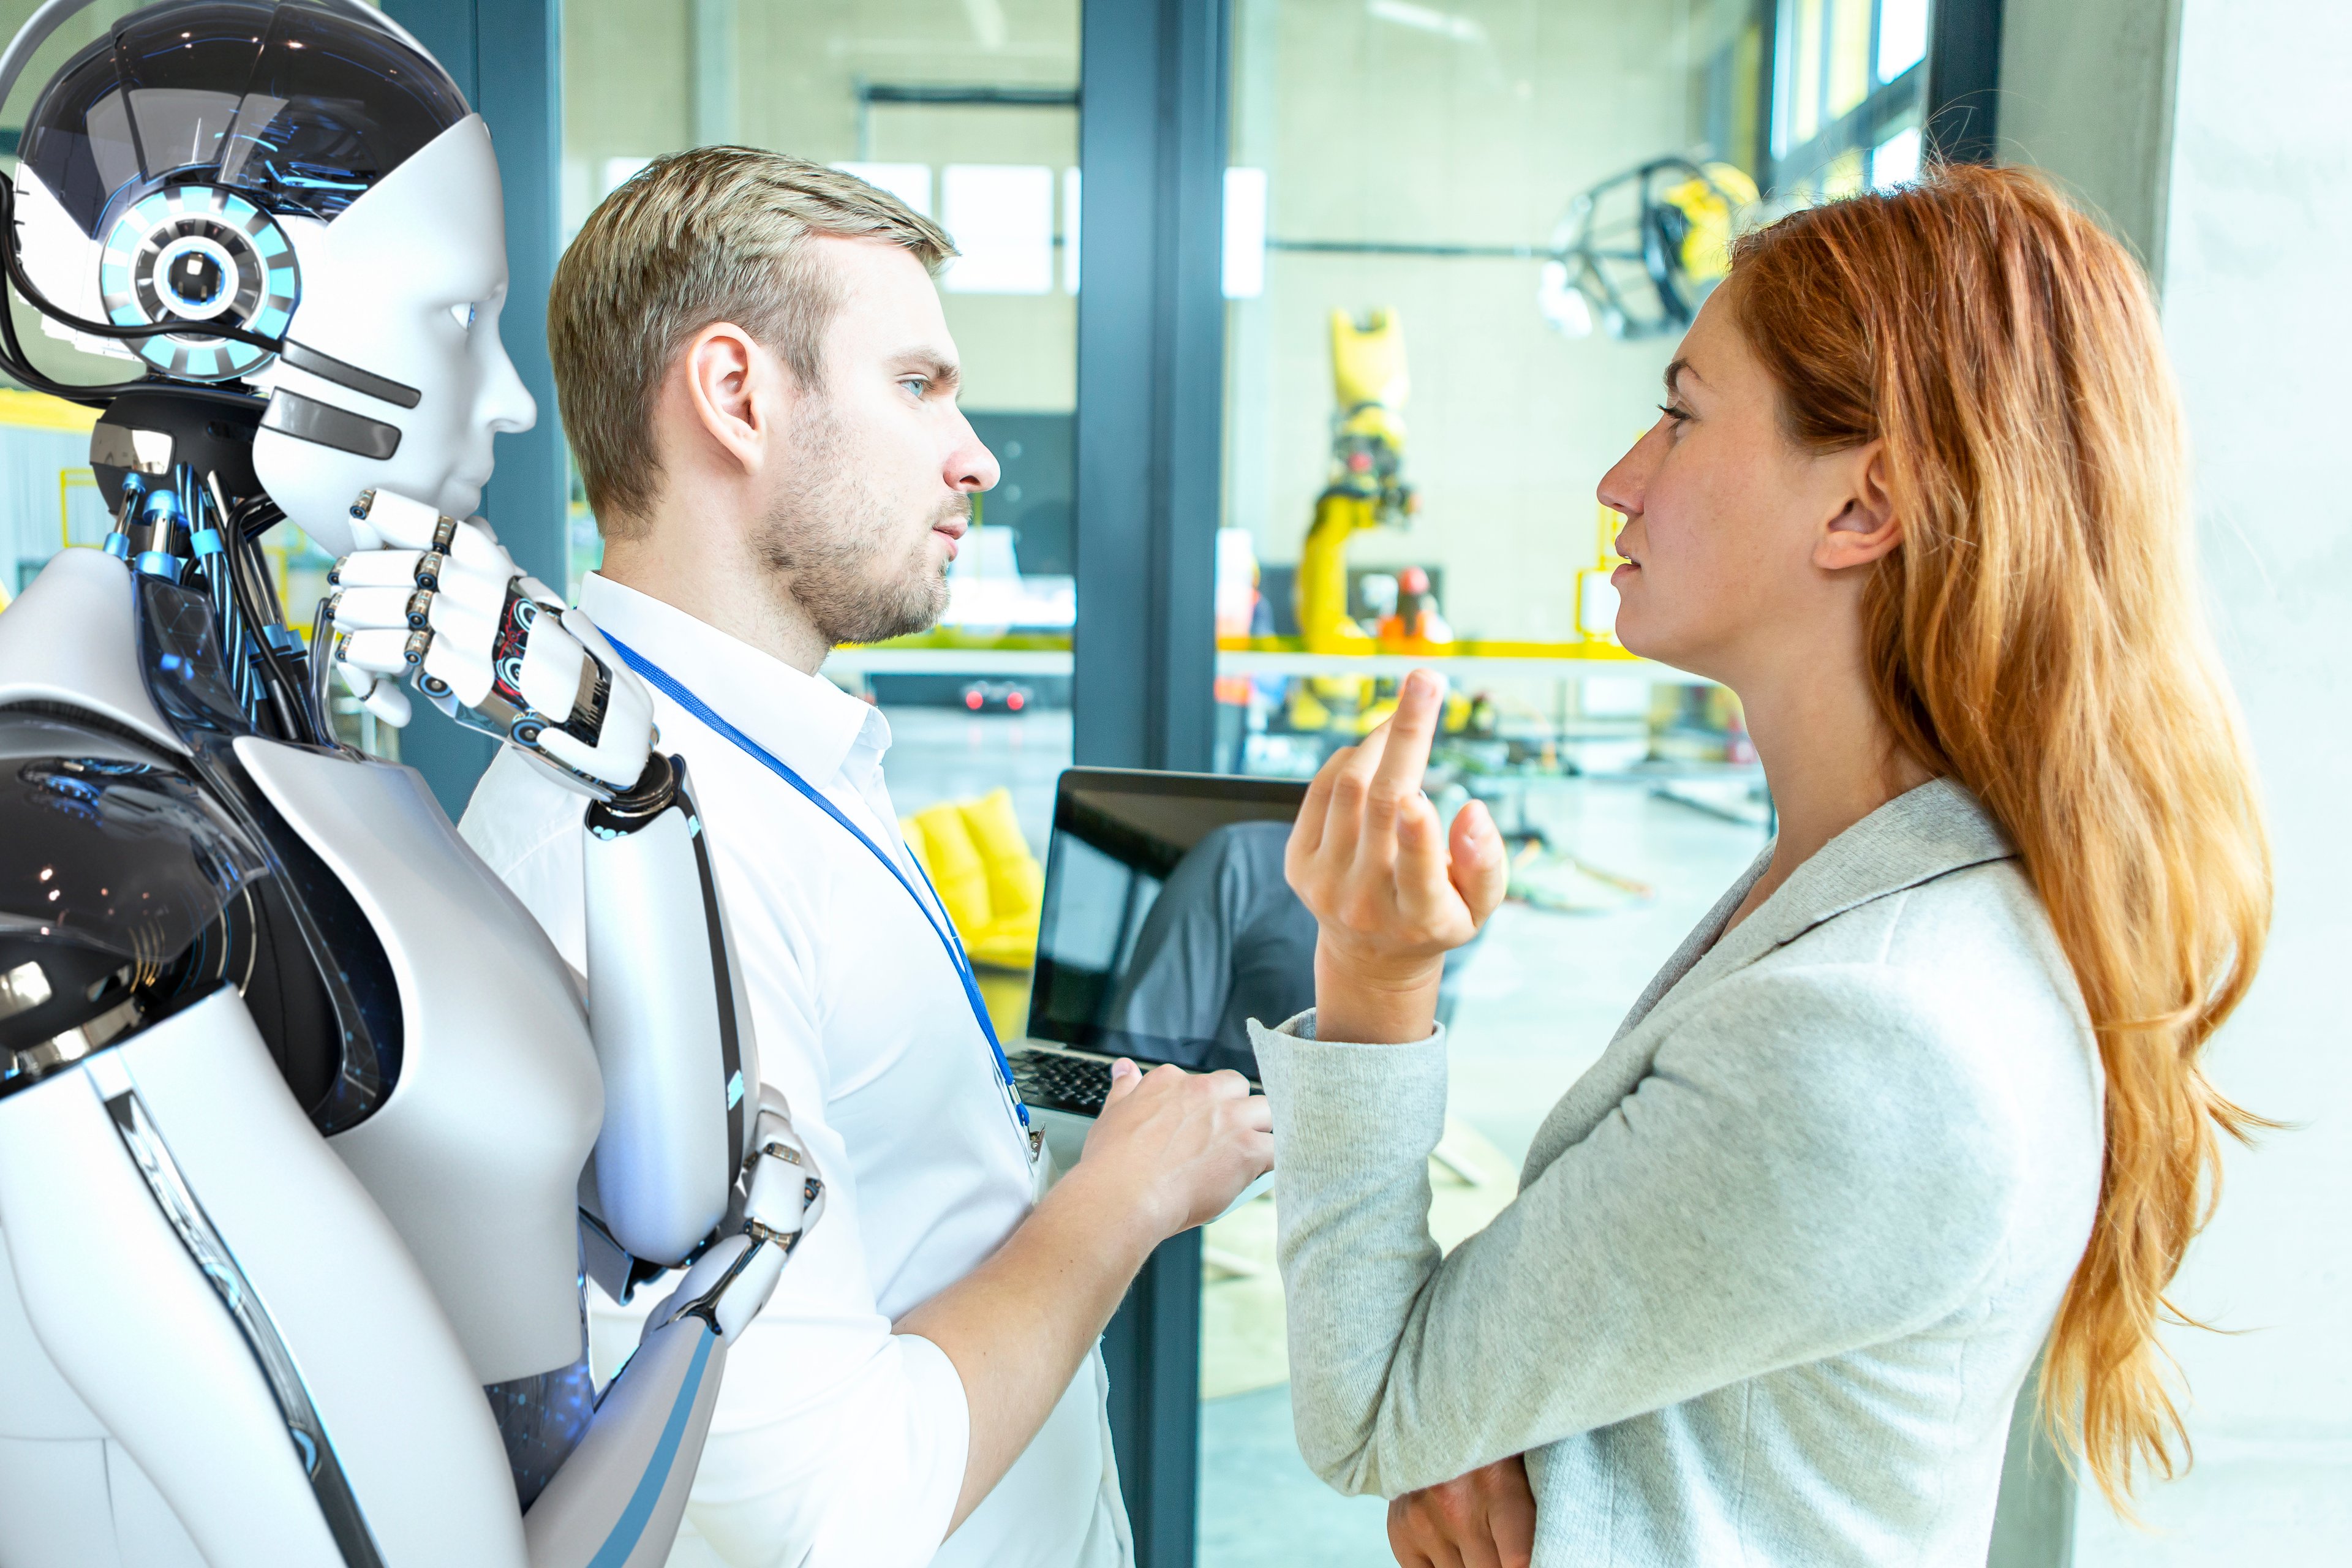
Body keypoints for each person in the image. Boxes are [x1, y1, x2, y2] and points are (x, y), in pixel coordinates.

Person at [1250, 164, 2270, 1567]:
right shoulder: (1871, 891)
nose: (1621, 476)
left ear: (1862, 509)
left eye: (1679, 415)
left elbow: (1372, 1411)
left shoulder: (1872, 1027)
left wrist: (1376, 977)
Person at [458, 148, 1272, 1568]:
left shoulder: (769, 751)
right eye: (917, 385)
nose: (977, 453)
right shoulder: (632, 852)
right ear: (737, 395)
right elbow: (828, 1506)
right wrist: (1122, 1198)